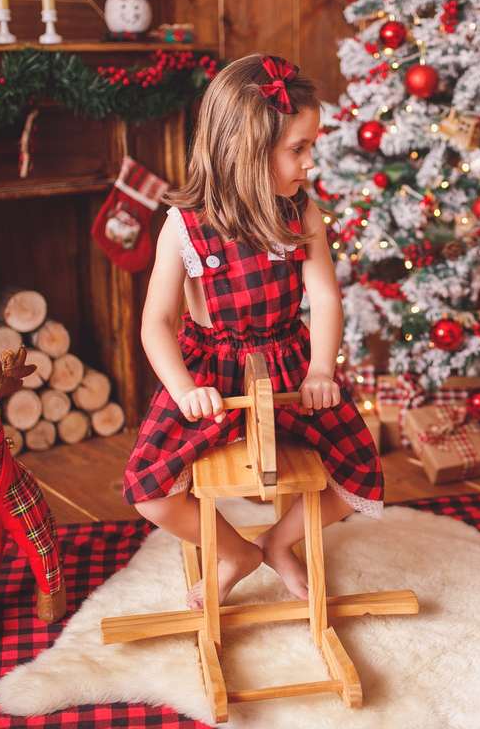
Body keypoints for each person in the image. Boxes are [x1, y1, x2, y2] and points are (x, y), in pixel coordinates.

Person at [122, 54, 382, 610]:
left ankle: (276, 542)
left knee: (360, 470)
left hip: (288, 366)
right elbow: (156, 324)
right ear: (246, 148)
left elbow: (325, 298)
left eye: (310, 147)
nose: (309, 163)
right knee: (150, 491)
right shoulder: (184, 226)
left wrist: (320, 370)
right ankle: (235, 553)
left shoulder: (300, 213)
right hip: (211, 375)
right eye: (298, 149)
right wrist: (184, 390)